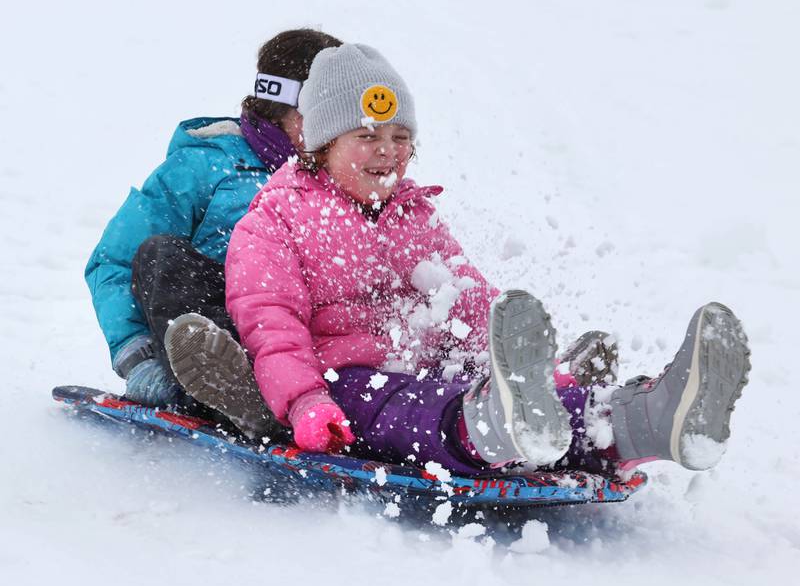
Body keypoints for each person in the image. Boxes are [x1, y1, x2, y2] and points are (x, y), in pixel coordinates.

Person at [167, 44, 750, 476]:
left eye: (400, 136)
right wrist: (305, 401)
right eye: (366, 135)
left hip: (428, 363)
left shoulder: (414, 212)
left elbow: (463, 297)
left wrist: (511, 357)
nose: (387, 151)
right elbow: (272, 326)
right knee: (411, 406)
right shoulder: (273, 221)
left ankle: (646, 419)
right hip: (343, 385)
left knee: (493, 382)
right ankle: (495, 425)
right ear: (321, 143)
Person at [84, 29, 342, 436]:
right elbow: (114, 259)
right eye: (326, 113)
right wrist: (138, 358)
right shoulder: (207, 166)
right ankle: (229, 388)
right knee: (159, 256)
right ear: (284, 107)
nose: (337, 128)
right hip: (226, 328)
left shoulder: (346, 172)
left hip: (308, 333)